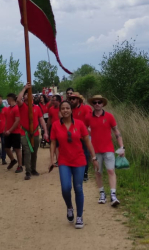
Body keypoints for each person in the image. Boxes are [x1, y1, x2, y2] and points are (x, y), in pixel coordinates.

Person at [50, 100, 99, 228]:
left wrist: (93, 158)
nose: (65, 110)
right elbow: (53, 143)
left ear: (71, 110)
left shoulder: (80, 124)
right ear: (60, 111)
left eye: (67, 108)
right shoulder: (55, 125)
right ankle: (70, 207)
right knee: (65, 188)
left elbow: (88, 142)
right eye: (63, 108)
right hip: (64, 161)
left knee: (78, 188)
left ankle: (79, 216)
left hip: (79, 160)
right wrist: (52, 160)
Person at [85, 95, 125, 207]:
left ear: (103, 104)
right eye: (95, 102)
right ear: (92, 104)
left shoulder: (109, 116)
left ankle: (113, 195)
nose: (97, 104)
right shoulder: (88, 117)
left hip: (108, 149)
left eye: (99, 102)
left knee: (111, 171)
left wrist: (122, 147)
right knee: (98, 172)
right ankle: (102, 194)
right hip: (95, 150)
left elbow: (117, 132)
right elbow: (84, 131)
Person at [16, 83, 48, 180]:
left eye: (30, 94)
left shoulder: (37, 107)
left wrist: (45, 131)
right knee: (27, 151)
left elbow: (41, 119)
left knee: (34, 152)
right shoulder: (22, 106)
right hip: (24, 133)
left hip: (35, 133)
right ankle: (28, 171)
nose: (29, 96)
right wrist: (25, 88)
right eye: (27, 94)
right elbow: (18, 99)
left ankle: (33, 169)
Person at [69, 93, 93, 181]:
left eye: (73, 99)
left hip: (84, 135)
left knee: (85, 154)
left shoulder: (86, 108)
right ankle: (76, 171)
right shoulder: (70, 110)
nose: (71, 100)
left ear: (78, 100)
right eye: (70, 99)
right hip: (73, 136)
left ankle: (85, 173)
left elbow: (90, 120)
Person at [4, 93, 23, 173]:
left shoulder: (17, 108)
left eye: (7, 99)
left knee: (17, 149)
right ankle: (12, 160)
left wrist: (10, 130)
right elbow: (7, 121)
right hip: (8, 132)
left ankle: (20, 165)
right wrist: (5, 129)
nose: (7, 101)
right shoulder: (8, 109)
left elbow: (17, 121)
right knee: (6, 148)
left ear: (10, 99)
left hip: (16, 132)